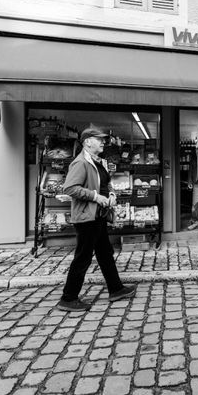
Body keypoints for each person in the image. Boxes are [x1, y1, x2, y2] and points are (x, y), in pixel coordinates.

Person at [57, 127, 137, 312]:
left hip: (98, 215)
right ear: (87, 142)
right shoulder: (80, 163)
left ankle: (116, 289)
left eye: (103, 139)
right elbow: (69, 188)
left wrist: (111, 194)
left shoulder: (98, 162)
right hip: (86, 217)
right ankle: (68, 298)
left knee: (105, 252)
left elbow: (106, 182)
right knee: (83, 257)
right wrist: (95, 197)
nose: (103, 142)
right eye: (99, 139)